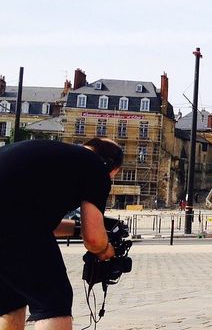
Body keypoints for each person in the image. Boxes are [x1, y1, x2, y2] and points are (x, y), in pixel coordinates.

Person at [0, 138, 123, 330]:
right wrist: (107, 250)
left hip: (12, 221)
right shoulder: (96, 167)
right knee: (53, 302)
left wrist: (76, 229)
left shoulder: (54, 156)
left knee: (11, 299)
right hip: (13, 222)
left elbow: (40, 223)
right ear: (112, 169)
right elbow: (93, 239)